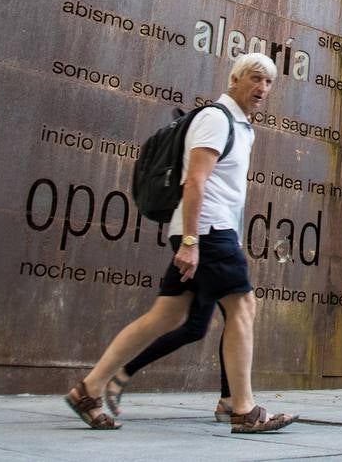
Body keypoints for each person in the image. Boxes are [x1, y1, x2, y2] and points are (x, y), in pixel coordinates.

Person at [64, 53, 296, 433]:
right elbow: (195, 182)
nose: (262, 88)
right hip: (207, 230)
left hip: (208, 231)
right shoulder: (215, 119)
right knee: (242, 307)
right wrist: (190, 242)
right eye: (255, 78)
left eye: (268, 82)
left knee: (167, 316)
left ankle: (88, 390)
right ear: (235, 79)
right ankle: (243, 409)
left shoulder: (240, 126)